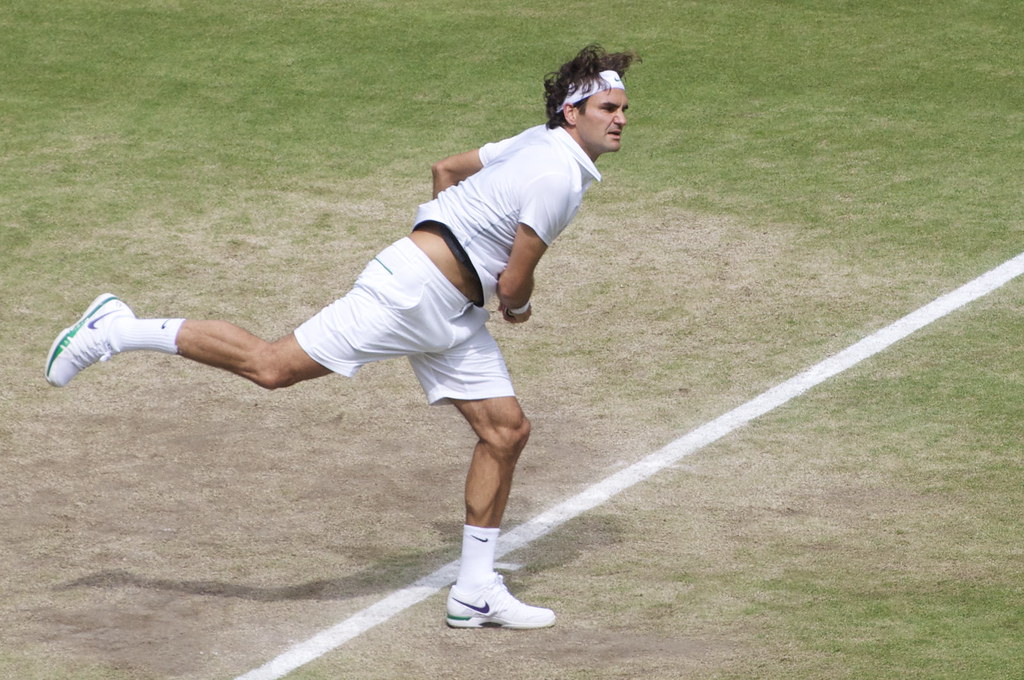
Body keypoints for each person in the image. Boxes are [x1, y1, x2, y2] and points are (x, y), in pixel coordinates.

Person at [45, 44, 637, 629]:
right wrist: (506, 298)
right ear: (572, 112)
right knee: (271, 367)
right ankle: (116, 329)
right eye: (608, 108)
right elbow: (513, 285)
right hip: (411, 295)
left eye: (623, 110)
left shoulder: (536, 142)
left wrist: (449, 243)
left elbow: (446, 171)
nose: (620, 119)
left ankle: (476, 590)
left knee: (505, 431)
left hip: (449, 311)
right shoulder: (558, 175)